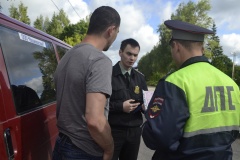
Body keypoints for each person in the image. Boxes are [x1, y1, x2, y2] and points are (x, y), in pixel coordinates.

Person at [142, 20, 240, 160]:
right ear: (202, 49)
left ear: (176, 47)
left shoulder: (175, 82)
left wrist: (148, 124)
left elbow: (159, 138)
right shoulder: (231, 84)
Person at [52, 6, 121, 160]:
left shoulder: (66, 57)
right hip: (84, 150)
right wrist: (109, 149)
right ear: (111, 30)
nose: (116, 36)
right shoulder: (99, 60)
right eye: (117, 32)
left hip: (61, 145)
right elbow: (95, 120)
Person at [108, 38, 148, 160]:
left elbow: (145, 101)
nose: (132, 58)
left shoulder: (140, 78)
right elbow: (99, 104)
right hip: (114, 131)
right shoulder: (108, 74)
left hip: (134, 132)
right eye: (129, 53)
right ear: (120, 52)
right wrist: (121, 107)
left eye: (135, 55)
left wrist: (145, 107)